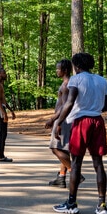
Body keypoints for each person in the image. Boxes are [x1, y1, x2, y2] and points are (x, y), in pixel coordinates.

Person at [51, 52, 107, 214]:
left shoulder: (76, 80)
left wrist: (59, 122)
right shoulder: (102, 80)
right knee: (98, 164)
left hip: (80, 122)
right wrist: (93, 106)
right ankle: (102, 204)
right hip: (98, 122)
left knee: (76, 163)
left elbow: (69, 103)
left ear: (76, 66)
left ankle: (71, 202)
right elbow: (106, 107)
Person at [44, 59, 77, 187]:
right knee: (64, 148)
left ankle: (75, 173)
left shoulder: (66, 85)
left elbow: (64, 106)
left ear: (65, 70)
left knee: (55, 148)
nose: (56, 71)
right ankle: (61, 177)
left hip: (63, 119)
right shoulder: (67, 83)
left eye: (58, 69)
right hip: (65, 119)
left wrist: (53, 120)